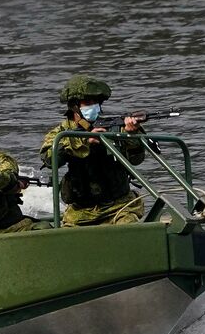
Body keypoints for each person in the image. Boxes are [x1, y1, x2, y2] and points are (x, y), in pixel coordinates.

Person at [39, 75, 147, 226]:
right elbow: (49, 159)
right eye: (88, 102)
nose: (93, 106)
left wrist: (131, 135)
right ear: (75, 106)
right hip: (80, 212)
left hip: (119, 207)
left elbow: (136, 159)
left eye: (96, 102)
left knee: (127, 230)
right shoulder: (62, 132)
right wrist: (84, 141)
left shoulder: (113, 126)